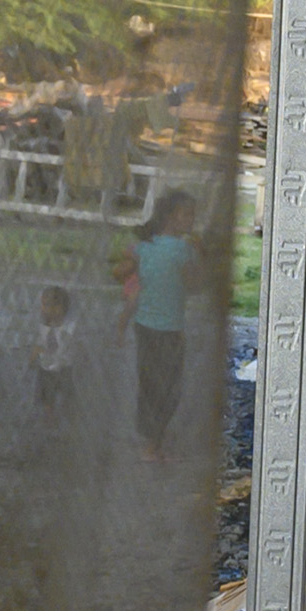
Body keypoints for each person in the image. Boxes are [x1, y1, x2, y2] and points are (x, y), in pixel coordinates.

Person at [117, 189, 202, 463]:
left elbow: (126, 280)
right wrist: (200, 259)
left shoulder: (145, 248)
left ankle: (150, 437)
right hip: (169, 331)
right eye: (187, 215)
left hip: (144, 328)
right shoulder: (182, 250)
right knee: (169, 387)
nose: (192, 220)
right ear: (170, 218)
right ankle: (152, 444)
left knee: (150, 383)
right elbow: (192, 286)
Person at [33, 283, 77, 418]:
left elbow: (73, 346)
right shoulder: (42, 326)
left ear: (64, 308)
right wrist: (35, 353)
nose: (49, 309)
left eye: (55, 305)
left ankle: (68, 412)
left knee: (66, 392)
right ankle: (49, 414)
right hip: (46, 367)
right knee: (47, 393)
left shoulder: (68, 328)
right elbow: (38, 343)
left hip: (64, 366)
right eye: (45, 305)